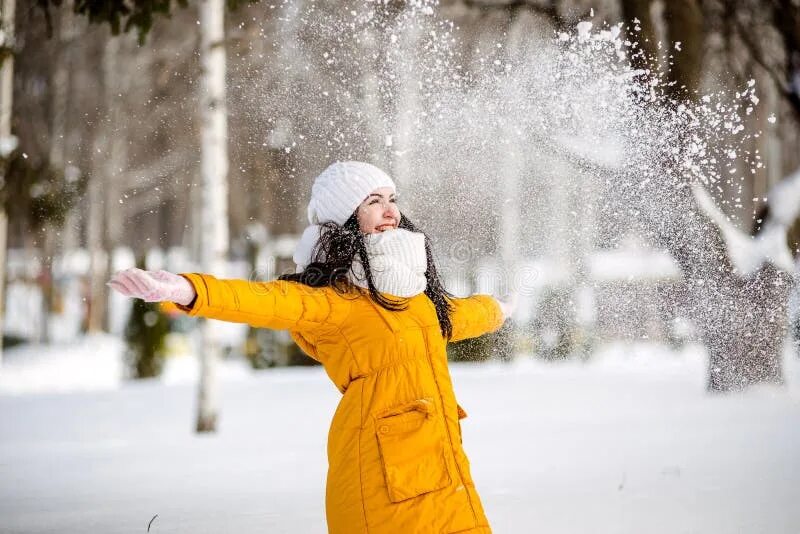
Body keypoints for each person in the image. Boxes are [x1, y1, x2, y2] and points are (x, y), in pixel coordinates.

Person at [109, 161, 516, 534]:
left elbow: (455, 316)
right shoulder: (335, 302)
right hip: (382, 477)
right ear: (344, 221)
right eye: (373, 202)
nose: (390, 210)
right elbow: (263, 300)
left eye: (391, 199)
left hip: (442, 468)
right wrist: (189, 289)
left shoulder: (414, 294)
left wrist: (497, 308)